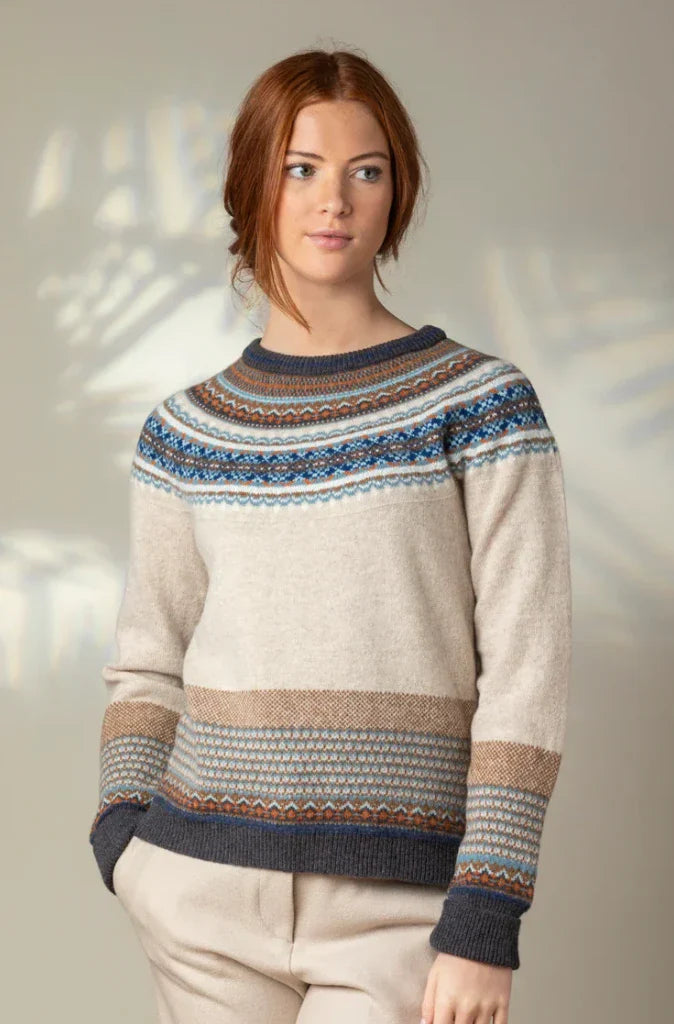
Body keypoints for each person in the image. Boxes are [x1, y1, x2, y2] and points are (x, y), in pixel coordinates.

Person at [88, 45, 572, 1024]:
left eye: (367, 170)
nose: (334, 201)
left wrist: (485, 915)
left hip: (402, 908)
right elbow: (147, 658)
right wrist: (122, 836)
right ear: (251, 185)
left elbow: (527, 673)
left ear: (398, 192)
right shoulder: (187, 431)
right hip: (198, 890)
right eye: (300, 168)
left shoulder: (480, 405)